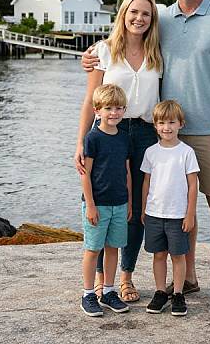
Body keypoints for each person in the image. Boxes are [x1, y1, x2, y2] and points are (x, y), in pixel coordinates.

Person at [82, 0, 210, 309]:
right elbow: (123, 40)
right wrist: (92, 56)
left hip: (209, 129)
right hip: (164, 131)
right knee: (170, 205)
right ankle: (186, 277)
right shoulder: (164, 19)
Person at [75, 0, 162, 303]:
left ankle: (125, 277)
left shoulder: (157, 53)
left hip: (145, 134)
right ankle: (102, 279)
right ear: (123, 15)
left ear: (153, 20)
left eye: (146, 14)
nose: (139, 19)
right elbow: (90, 100)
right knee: (102, 200)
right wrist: (81, 143)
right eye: (133, 12)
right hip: (108, 131)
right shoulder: (104, 51)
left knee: (135, 209)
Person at [141, 100, 198, 317]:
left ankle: (178, 294)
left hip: (177, 215)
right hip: (155, 214)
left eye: (172, 122)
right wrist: (144, 208)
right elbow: (146, 182)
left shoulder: (186, 152)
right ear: (155, 125)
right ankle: (159, 292)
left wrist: (190, 213)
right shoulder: (151, 152)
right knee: (158, 255)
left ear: (180, 124)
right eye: (162, 123)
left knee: (178, 256)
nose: (167, 127)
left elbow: (193, 184)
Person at [80, 84, 132, 317]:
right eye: (108, 108)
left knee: (114, 248)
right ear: (97, 110)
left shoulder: (124, 137)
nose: (114, 113)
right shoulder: (93, 138)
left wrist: (129, 202)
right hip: (98, 204)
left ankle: (109, 291)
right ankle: (88, 294)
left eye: (119, 108)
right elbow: (86, 174)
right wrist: (90, 204)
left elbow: (127, 170)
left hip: (120, 203)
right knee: (93, 249)